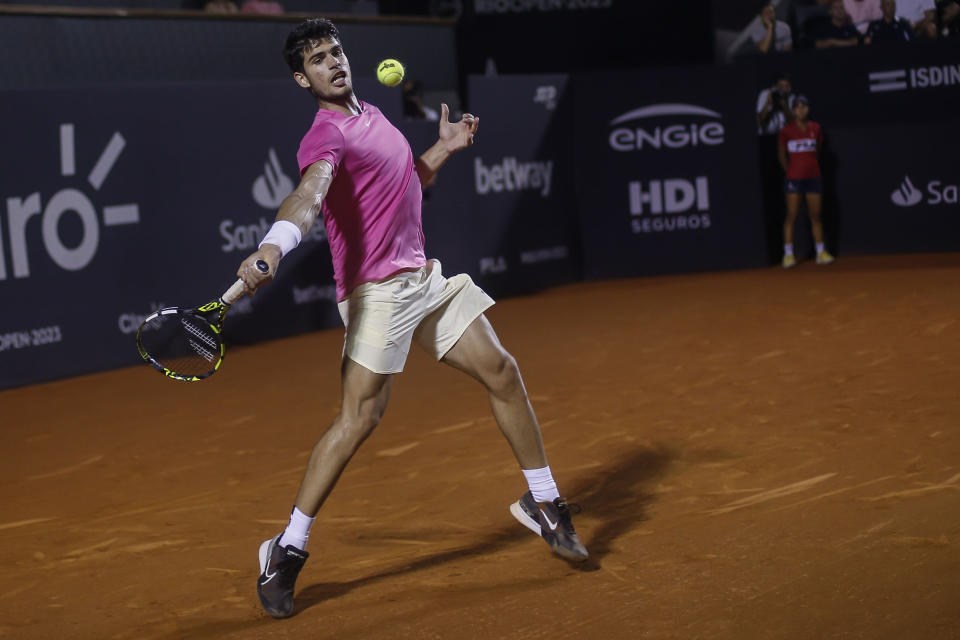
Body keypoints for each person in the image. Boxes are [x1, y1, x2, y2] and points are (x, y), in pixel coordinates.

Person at [235, 18, 589, 620]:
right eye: (319, 60)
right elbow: (309, 194)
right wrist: (273, 243)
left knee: (502, 371)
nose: (334, 63)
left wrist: (443, 149)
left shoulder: (373, 114)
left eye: (337, 51)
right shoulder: (325, 135)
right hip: (375, 295)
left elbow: (403, 184)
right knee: (359, 419)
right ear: (304, 79)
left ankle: (544, 500)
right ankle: (286, 546)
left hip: (423, 278)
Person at [777, 96, 834, 268]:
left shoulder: (816, 128)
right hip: (794, 180)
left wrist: (809, 167)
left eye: (804, 107)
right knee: (791, 216)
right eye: (797, 107)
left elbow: (817, 151)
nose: (801, 110)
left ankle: (820, 252)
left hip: (813, 177)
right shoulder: (786, 131)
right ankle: (788, 255)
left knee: (816, 216)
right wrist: (791, 172)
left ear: (808, 109)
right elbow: (781, 155)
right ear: (793, 111)